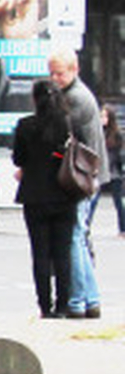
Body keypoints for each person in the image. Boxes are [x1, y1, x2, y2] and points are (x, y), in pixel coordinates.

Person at [14, 77, 79, 317]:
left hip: (34, 196)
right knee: (63, 253)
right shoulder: (66, 124)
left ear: (35, 99)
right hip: (64, 195)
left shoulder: (25, 125)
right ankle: (63, 305)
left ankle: (45, 306)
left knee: (40, 253)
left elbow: (18, 159)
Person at [49, 49, 103, 317]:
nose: (54, 78)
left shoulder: (76, 98)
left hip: (81, 178)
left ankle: (78, 301)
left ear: (74, 69)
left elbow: (62, 136)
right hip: (87, 176)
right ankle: (89, 301)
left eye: (59, 73)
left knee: (73, 237)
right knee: (78, 237)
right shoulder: (76, 95)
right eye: (52, 73)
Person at [104, 106, 125, 234]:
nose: (102, 119)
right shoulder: (99, 132)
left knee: (118, 201)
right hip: (102, 170)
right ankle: (86, 226)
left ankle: (123, 228)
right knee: (93, 201)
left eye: (105, 116)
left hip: (114, 171)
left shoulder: (116, 134)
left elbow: (120, 153)